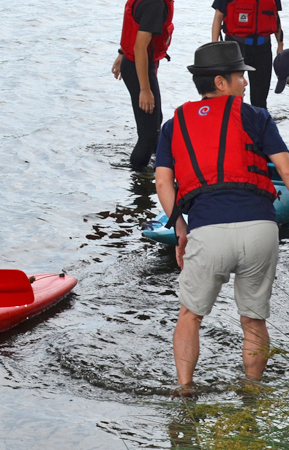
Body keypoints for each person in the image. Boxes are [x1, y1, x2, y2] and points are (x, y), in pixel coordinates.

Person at [154, 41, 289, 393]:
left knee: (190, 316)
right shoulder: (256, 117)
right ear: (220, 82)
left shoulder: (173, 126)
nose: (246, 82)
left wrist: (180, 228)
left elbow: (163, 181)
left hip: (207, 230)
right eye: (240, 76)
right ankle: (253, 393)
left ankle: (185, 390)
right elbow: (286, 170)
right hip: (260, 229)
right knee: (254, 319)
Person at [112, 0, 174, 171]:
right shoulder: (155, 4)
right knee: (149, 135)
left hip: (133, 62)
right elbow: (140, 48)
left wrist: (121, 53)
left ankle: (160, 161)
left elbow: (134, 25)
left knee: (154, 122)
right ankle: (138, 175)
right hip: (138, 67)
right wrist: (145, 90)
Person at [212, 0, 284, 108]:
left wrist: (280, 45)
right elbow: (218, 16)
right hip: (235, 46)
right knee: (231, 95)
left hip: (262, 48)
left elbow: (275, 17)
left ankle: (258, 121)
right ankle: (231, 120)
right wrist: (214, 46)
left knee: (260, 98)